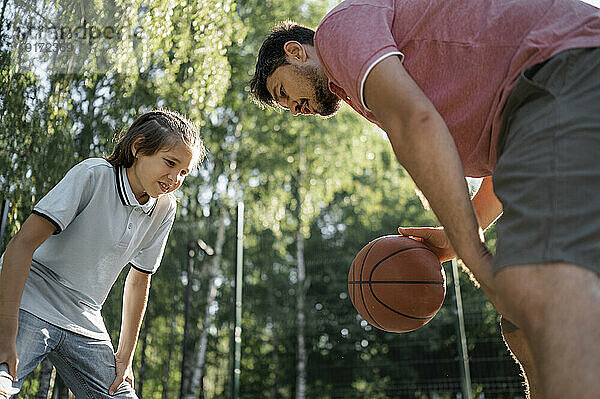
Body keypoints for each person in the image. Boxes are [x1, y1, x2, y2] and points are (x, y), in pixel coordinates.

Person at [249, 1, 600, 398]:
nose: (295, 110)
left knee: (551, 301)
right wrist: (462, 234)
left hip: (563, 68)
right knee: (522, 321)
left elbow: (415, 124)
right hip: (544, 103)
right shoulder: (361, 89)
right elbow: (507, 164)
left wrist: (476, 257)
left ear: (295, 52)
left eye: (283, 91)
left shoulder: (338, 33)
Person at [0, 109, 206, 398]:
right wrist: (6, 330)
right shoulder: (93, 174)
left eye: (183, 172)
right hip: (32, 295)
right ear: (138, 147)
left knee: (121, 394)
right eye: (170, 163)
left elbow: (139, 280)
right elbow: (20, 245)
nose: (175, 178)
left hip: (84, 315)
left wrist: (125, 355)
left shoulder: (164, 209)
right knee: (1, 383)